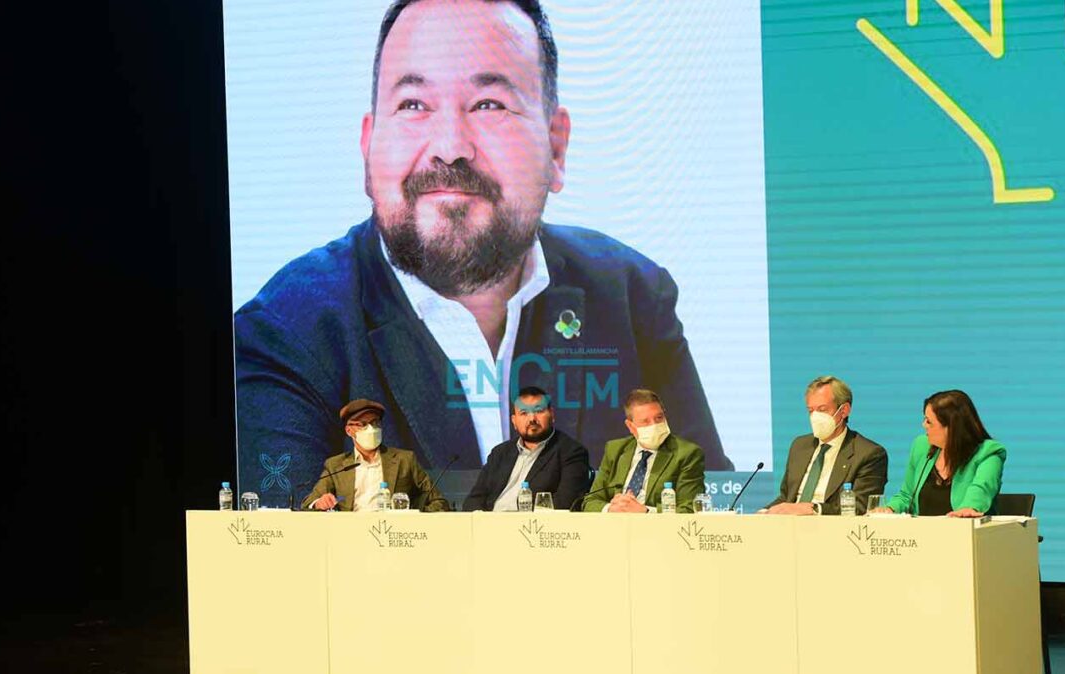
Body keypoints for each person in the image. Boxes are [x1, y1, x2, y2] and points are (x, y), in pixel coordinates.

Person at [234, 0, 729, 498]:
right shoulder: (284, 335)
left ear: (556, 149)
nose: (450, 146)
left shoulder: (632, 294)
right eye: (413, 104)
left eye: (489, 104)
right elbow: (292, 556)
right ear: (368, 147)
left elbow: (709, 507)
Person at [764, 376, 887, 515]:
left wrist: (814, 509)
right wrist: (763, 512)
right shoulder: (799, 446)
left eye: (822, 409)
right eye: (811, 411)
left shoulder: (869, 454)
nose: (815, 417)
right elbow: (786, 498)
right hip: (790, 529)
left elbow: (860, 507)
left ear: (844, 410)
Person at [301, 399, 449, 511]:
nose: (371, 429)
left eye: (375, 423)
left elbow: (438, 501)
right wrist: (319, 503)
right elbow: (308, 503)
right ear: (349, 431)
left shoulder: (404, 460)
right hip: (350, 537)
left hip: (393, 536)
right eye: (363, 424)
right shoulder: (336, 466)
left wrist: (412, 520)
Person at [876, 390, 1005, 517]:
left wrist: (969, 508)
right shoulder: (921, 446)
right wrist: (890, 509)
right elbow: (907, 496)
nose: (923, 425)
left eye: (929, 421)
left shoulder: (988, 453)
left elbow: (982, 488)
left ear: (951, 427)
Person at [462, 386, 591, 511]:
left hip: (533, 528)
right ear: (514, 421)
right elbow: (474, 499)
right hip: (490, 525)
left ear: (552, 415)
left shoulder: (571, 452)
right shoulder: (500, 453)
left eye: (539, 411)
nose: (532, 419)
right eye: (524, 413)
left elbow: (566, 502)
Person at [582, 389, 705, 513]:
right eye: (645, 421)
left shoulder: (687, 454)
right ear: (631, 426)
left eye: (659, 418)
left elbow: (689, 509)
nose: (654, 425)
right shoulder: (615, 450)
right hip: (615, 526)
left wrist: (645, 511)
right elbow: (590, 501)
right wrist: (611, 509)